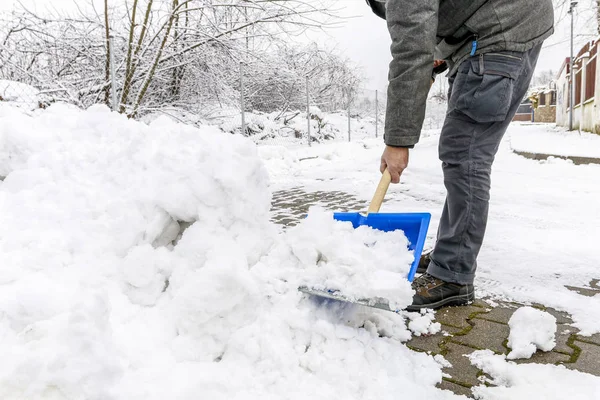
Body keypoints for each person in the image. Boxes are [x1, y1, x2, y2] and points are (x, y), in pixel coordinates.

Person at [366, 0, 554, 311]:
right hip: (495, 32)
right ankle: (449, 257)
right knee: (463, 151)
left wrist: (398, 141)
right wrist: (435, 59)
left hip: (499, 32)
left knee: (465, 154)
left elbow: (412, 50)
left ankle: (453, 275)